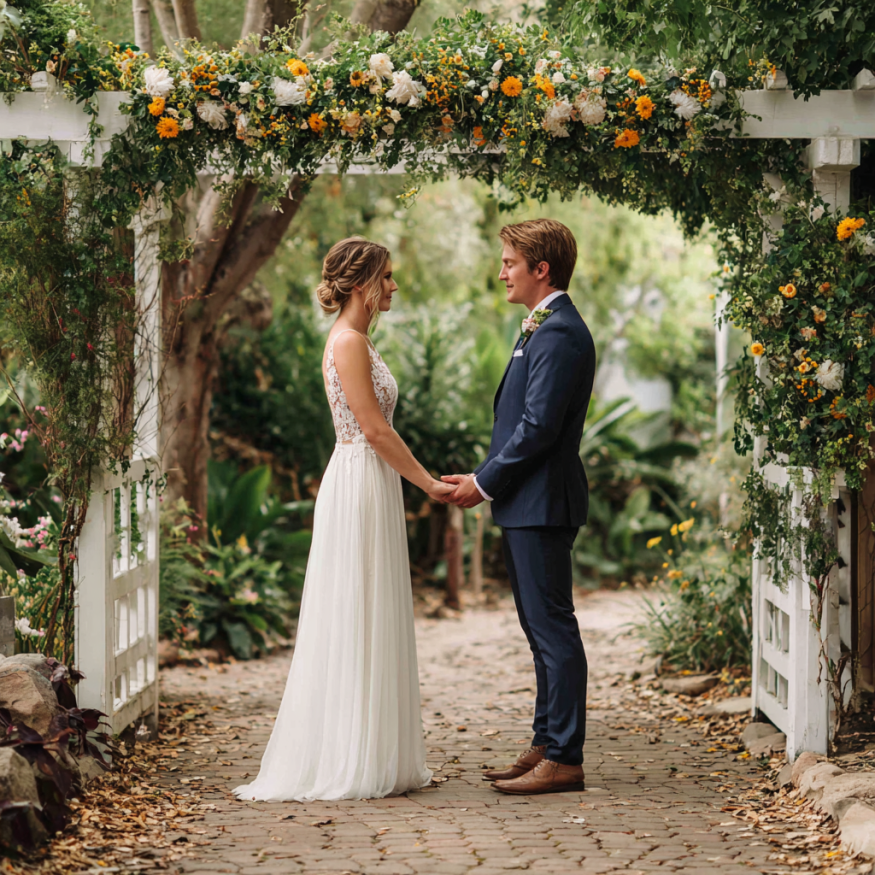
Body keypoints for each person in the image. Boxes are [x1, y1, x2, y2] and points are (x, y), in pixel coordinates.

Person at [233, 236, 453, 802]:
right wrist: (428, 483)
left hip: (370, 479)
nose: (394, 287)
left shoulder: (359, 340)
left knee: (371, 606)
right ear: (361, 285)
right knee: (356, 606)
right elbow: (374, 430)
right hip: (359, 477)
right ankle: (348, 755)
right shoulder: (350, 342)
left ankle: (377, 748)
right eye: (386, 277)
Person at [443, 218, 596, 795]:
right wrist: (485, 478)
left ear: (542, 269)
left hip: (541, 503)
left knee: (553, 630)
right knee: (540, 631)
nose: (501, 271)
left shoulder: (558, 332)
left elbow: (537, 428)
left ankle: (566, 756)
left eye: (510, 261)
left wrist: (483, 484)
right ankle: (545, 743)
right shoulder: (544, 325)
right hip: (528, 502)